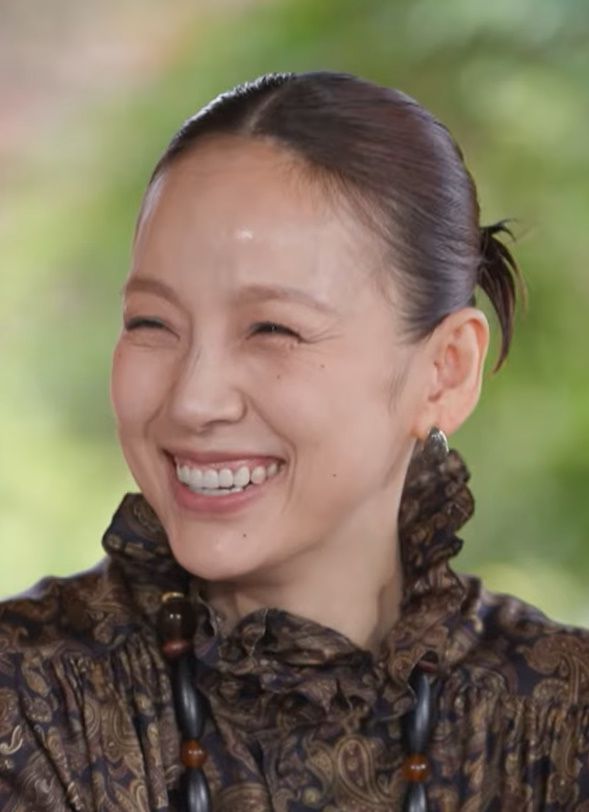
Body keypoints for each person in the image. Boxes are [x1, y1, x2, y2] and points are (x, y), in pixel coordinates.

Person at [1, 70, 587, 812]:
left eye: (272, 329)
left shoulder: (562, 724)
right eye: (151, 322)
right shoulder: (29, 705)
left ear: (445, 371)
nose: (194, 400)